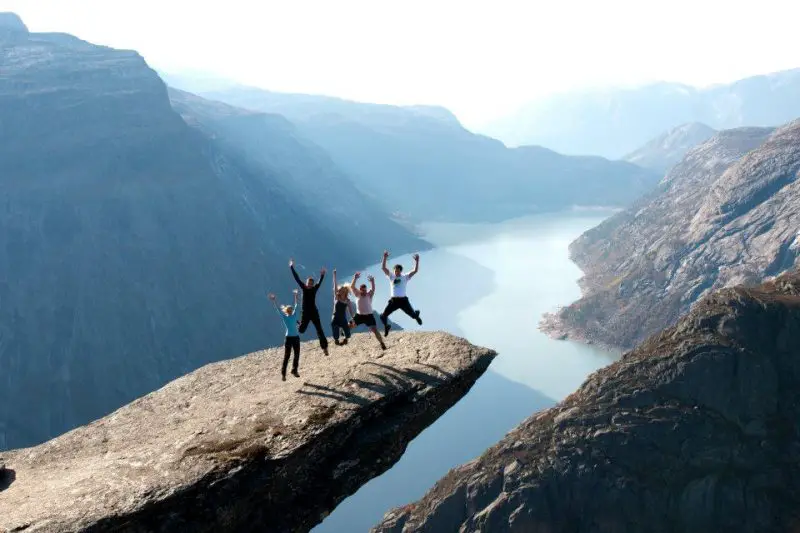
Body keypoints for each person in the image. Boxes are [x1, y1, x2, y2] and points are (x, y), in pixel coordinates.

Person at [289, 258, 329, 355]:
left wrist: (322, 275)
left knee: (319, 330)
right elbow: (297, 279)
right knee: (301, 330)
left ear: (312, 284)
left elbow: (319, 283)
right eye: (308, 284)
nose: (310, 285)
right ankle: (297, 322)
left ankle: (324, 348)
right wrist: (291, 268)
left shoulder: (314, 289)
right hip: (306, 313)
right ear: (306, 283)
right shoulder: (304, 288)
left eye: (311, 284)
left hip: (314, 313)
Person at [379, 250, 422, 337]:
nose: (396, 272)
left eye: (398, 271)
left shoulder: (405, 277)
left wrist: (417, 261)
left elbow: (415, 271)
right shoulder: (391, 276)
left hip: (403, 301)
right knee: (383, 316)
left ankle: (416, 316)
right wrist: (384, 257)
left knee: (412, 315)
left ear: (400, 271)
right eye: (395, 271)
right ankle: (387, 326)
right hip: (393, 301)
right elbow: (383, 268)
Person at [268, 290, 301, 381]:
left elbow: (296, 305)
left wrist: (295, 296)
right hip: (291, 338)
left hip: (293, 338)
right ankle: (284, 374)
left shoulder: (291, 316)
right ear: (287, 311)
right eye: (290, 310)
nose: (291, 310)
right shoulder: (286, 317)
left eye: (291, 309)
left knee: (296, 355)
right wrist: (274, 300)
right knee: (288, 356)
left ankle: (294, 370)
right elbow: (278, 309)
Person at [350, 272, 387, 350]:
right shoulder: (357, 294)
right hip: (359, 315)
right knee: (351, 325)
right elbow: (352, 286)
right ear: (360, 290)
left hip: (369, 316)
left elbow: (373, 289)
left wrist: (372, 282)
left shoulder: (369, 295)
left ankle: (382, 343)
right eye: (362, 290)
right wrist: (355, 278)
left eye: (365, 290)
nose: (364, 292)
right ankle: (343, 332)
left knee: (375, 330)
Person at [331, 268, 356, 346]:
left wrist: (353, 318)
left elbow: (350, 310)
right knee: (335, 331)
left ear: (346, 292)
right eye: (340, 290)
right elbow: (335, 286)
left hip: (343, 318)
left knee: (347, 333)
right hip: (335, 318)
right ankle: (336, 340)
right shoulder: (336, 297)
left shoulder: (347, 301)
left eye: (343, 290)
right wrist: (334, 275)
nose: (341, 291)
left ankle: (345, 340)